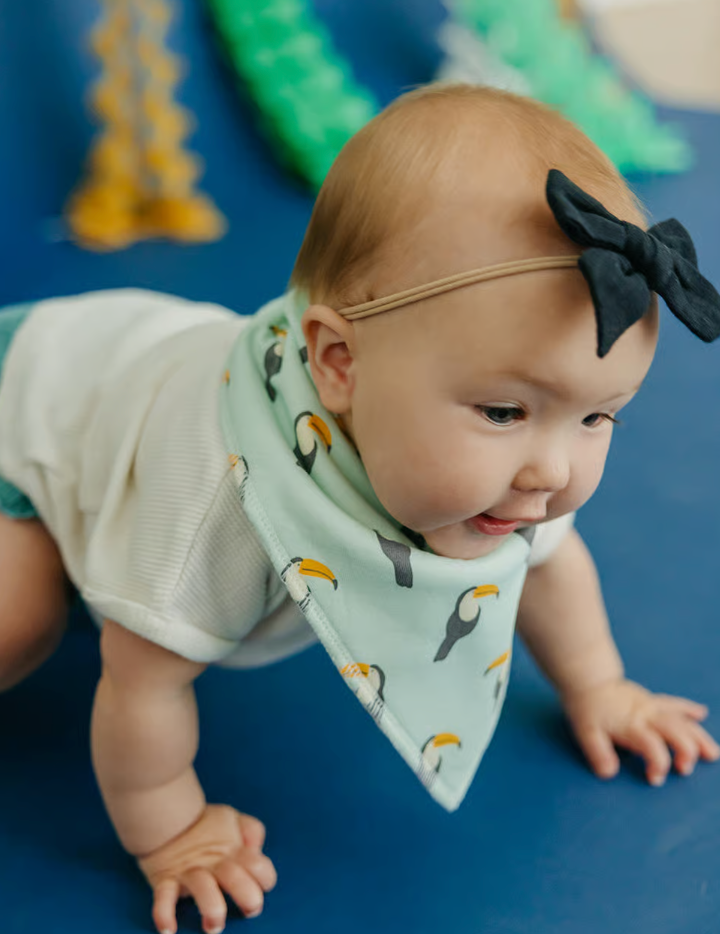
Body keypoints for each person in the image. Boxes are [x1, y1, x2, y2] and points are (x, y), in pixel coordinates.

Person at [1, 84, 719, 934]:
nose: (555, 472)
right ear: (337, 363)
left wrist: (600, 687)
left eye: (600, 416)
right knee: (23, 622)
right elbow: (140, 683)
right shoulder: (214, 502)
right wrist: (173, 832)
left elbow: (552, 562)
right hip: (31, 413)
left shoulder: (518, 469)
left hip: (129, 350)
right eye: (502, 412)